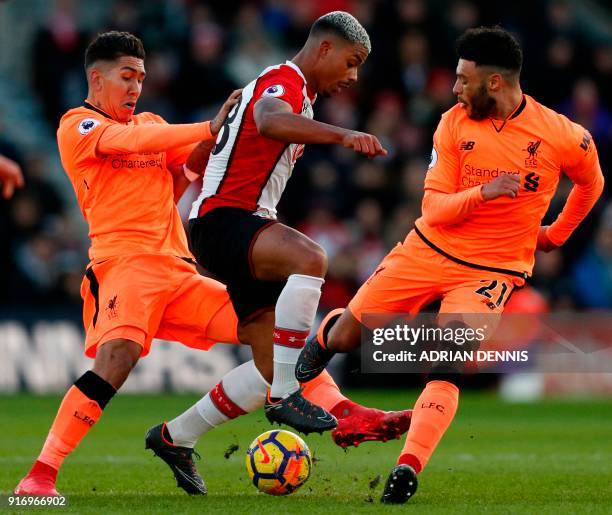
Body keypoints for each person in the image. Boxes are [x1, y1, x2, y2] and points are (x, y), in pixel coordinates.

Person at [14, 31, 410, 498]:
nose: (135, 87)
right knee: (117, 358)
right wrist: (208, 126)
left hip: (178, 270)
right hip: (125, 264)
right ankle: (40, 474)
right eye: (126, 76)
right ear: (95, 78)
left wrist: (229, 129)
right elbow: (129, 141)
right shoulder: (77, 125)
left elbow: (194, 166)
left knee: (272, 339)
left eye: (141, 77)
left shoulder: (152, 123)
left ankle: (334, 412)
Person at [295, 26, 605, 504]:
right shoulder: (453, 123)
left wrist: (554, 235)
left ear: (495, 82)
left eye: (464, 79)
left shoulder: (561, 135)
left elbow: (592, 183)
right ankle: (326, 335)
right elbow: (433, 208)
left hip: (491, 272)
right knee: (346, 337)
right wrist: (484, 191)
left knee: (446, 359)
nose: (456, 88)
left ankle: (408, 467)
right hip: (427, 250)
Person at [185, 10, 387, 435]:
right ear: (325, 47)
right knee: (311, 258)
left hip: (229, 222)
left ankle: (174, 437)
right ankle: (285, 395)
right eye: (352, 62)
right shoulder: (285, 79)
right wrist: (342, 134)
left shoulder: (297, 94)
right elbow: (269, 120)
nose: (353, 77)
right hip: (225, 219)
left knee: (266, 365)